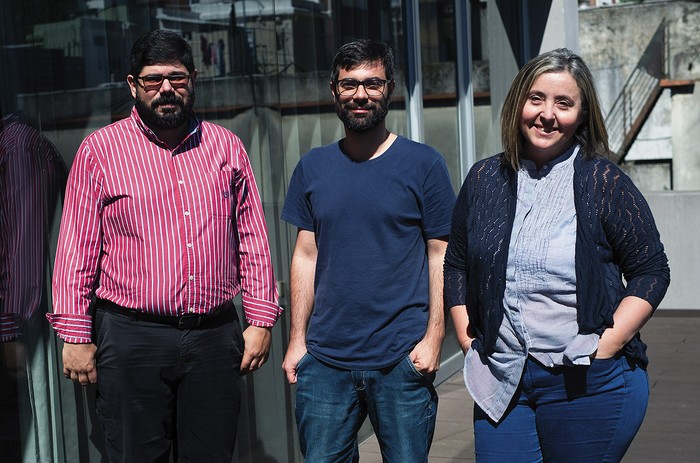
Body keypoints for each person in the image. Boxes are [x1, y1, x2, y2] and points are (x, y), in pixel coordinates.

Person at [48, 30, 282, 462]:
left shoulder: (225, 147)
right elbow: (76, 250)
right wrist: (76, 335)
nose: (167, 89)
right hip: (131, 338)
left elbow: (252, 237)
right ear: (132, 85)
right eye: (154, 80)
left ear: (193, 79)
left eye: (177, 77)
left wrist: (261, 319)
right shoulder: (100, 151)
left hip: (214, 337)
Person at [444, 48, 670, 462]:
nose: (547, 114)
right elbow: (457, 263)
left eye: (563, 103)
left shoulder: (604, 181)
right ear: (518, 104)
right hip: (502, 381)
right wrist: (464, 335)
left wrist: (607, 343)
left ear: (581, 116)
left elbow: (651, 271)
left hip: (586, 383)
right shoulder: (483, 179)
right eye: (537, 99)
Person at [281, 39, 456, 462]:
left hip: (400, 357)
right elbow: (306, 253)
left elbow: (441, 253)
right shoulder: (312, 167)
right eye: (349, 84)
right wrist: (297, 340)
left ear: (390, 88)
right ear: (334, 91)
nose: (360, 94)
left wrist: (435, 337)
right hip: (324, 360)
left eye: (372, 83)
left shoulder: (424, 164)